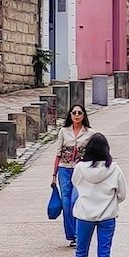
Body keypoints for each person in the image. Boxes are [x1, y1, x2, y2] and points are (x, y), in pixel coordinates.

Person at [70, 133, 126, 257]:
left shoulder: (80, 168)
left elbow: (75, 184)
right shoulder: (114, 169)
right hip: (107, 216)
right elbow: (122, 194)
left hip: (85, 215)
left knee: (81, 252)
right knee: (104, 253)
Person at [53, 104, 94, 246]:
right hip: (64, 169)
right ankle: (72, 235)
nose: (77, 115)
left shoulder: (90, 133)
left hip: (80, 170)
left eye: (80, 113)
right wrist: (54, 175)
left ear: (84, 115)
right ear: (70, 115)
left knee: (75, 200)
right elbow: (58, 153)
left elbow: (94, 153)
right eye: (74, 112)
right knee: (65, 202)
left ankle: (78, 232)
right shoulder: (64, 131)